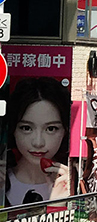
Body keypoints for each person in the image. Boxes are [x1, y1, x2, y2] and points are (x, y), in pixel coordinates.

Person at [5, 78, 71, 206]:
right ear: (13, 129)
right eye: (26, 128)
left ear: (65, 131)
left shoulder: (75, 186)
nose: (38, 142)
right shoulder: (3, 181)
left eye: (51, 129)